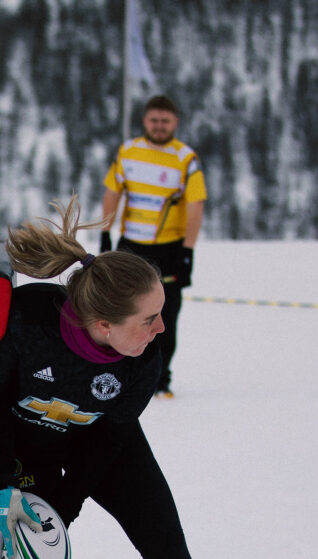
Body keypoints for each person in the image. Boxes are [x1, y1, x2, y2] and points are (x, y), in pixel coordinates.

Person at [0, 195, 237, 559]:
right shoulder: (26, 323)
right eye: (148, 319)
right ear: (101, 323)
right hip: (29, 448)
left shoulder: (144, 355)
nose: (160, 329)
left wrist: (68, 502)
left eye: (160, 314)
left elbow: (111, 436)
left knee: (167, 546)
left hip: (106, 444)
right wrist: (4, 482)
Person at [100, 94, 205, 398]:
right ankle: (116, 371)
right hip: (131, 244)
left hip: (168, 249)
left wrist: (187, 251)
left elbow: (195, 206)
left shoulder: (185, 158)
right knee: (119, 311)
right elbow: (112, 192)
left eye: (165, 121)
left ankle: (160, 379)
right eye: (154, 120)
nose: (159, 126)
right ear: (145, 121)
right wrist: (105, 233)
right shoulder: (129, 151)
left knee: (164, 316)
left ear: (175, 123)